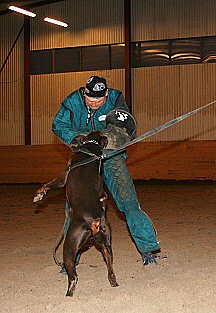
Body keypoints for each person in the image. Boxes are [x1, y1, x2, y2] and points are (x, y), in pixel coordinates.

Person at [52, 75, 160, 266]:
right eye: (90, 100)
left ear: (106, 94)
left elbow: (125, 127)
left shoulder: (116, 99)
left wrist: (107, 140)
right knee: (76, 210)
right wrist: (77, 139)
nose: (95, 104)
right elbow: (58, 125)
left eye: (99, 101)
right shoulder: (71, 103)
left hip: (111, 157)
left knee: (129, 203)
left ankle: (148, 249)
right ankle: (70, 260)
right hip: (85, 159)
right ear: (84, 93)